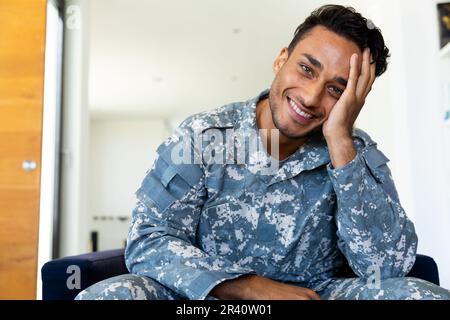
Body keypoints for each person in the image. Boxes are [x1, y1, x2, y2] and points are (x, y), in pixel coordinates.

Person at [76, 5, 450, 300]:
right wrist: (245, 286)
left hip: (315, 297)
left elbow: (387, 270)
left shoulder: (356, 152)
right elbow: (150, 239)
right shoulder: (204, 135)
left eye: (336, 89)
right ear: (281, 59)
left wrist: (339, 140)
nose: (310, 97)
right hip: (206, 300)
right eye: (306, 69)